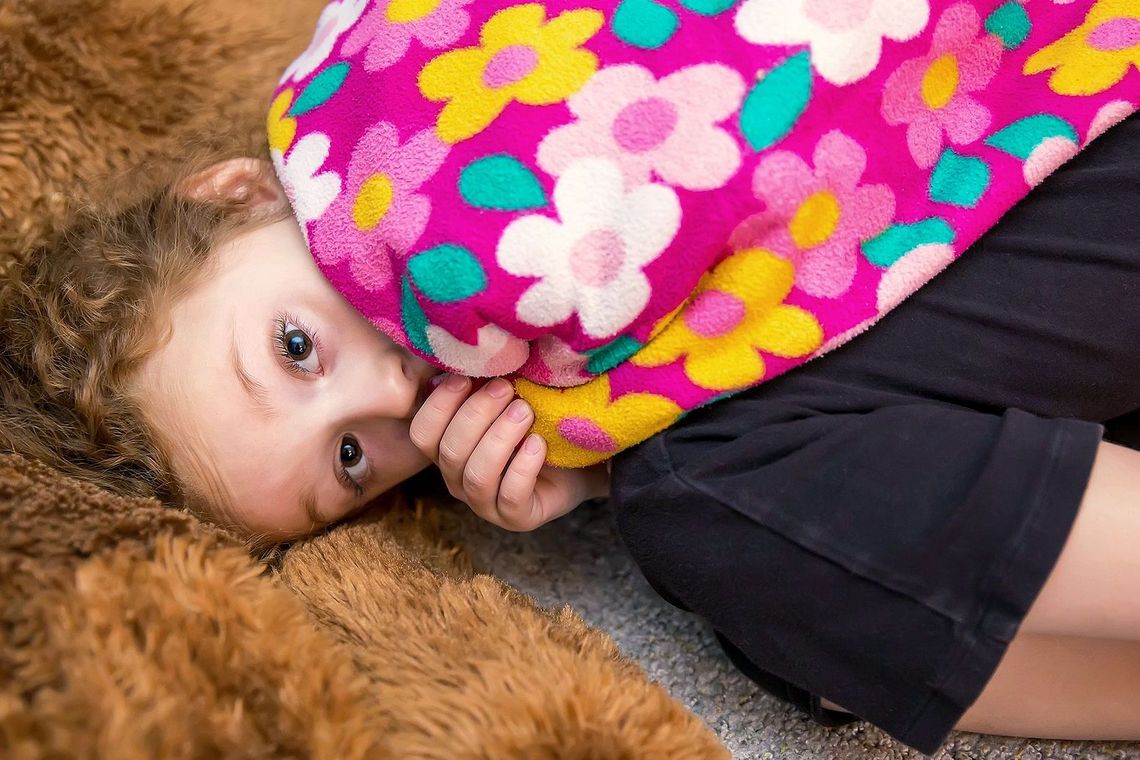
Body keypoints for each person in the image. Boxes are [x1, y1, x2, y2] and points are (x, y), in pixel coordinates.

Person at [3, 52, 1140, 760]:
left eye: (296, 347)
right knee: (749, 568)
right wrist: (600, 450)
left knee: (710, 507)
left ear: (240, 192)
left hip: (1060, 111)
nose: (394, 390)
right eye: (351, 458)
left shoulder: (388, 94)